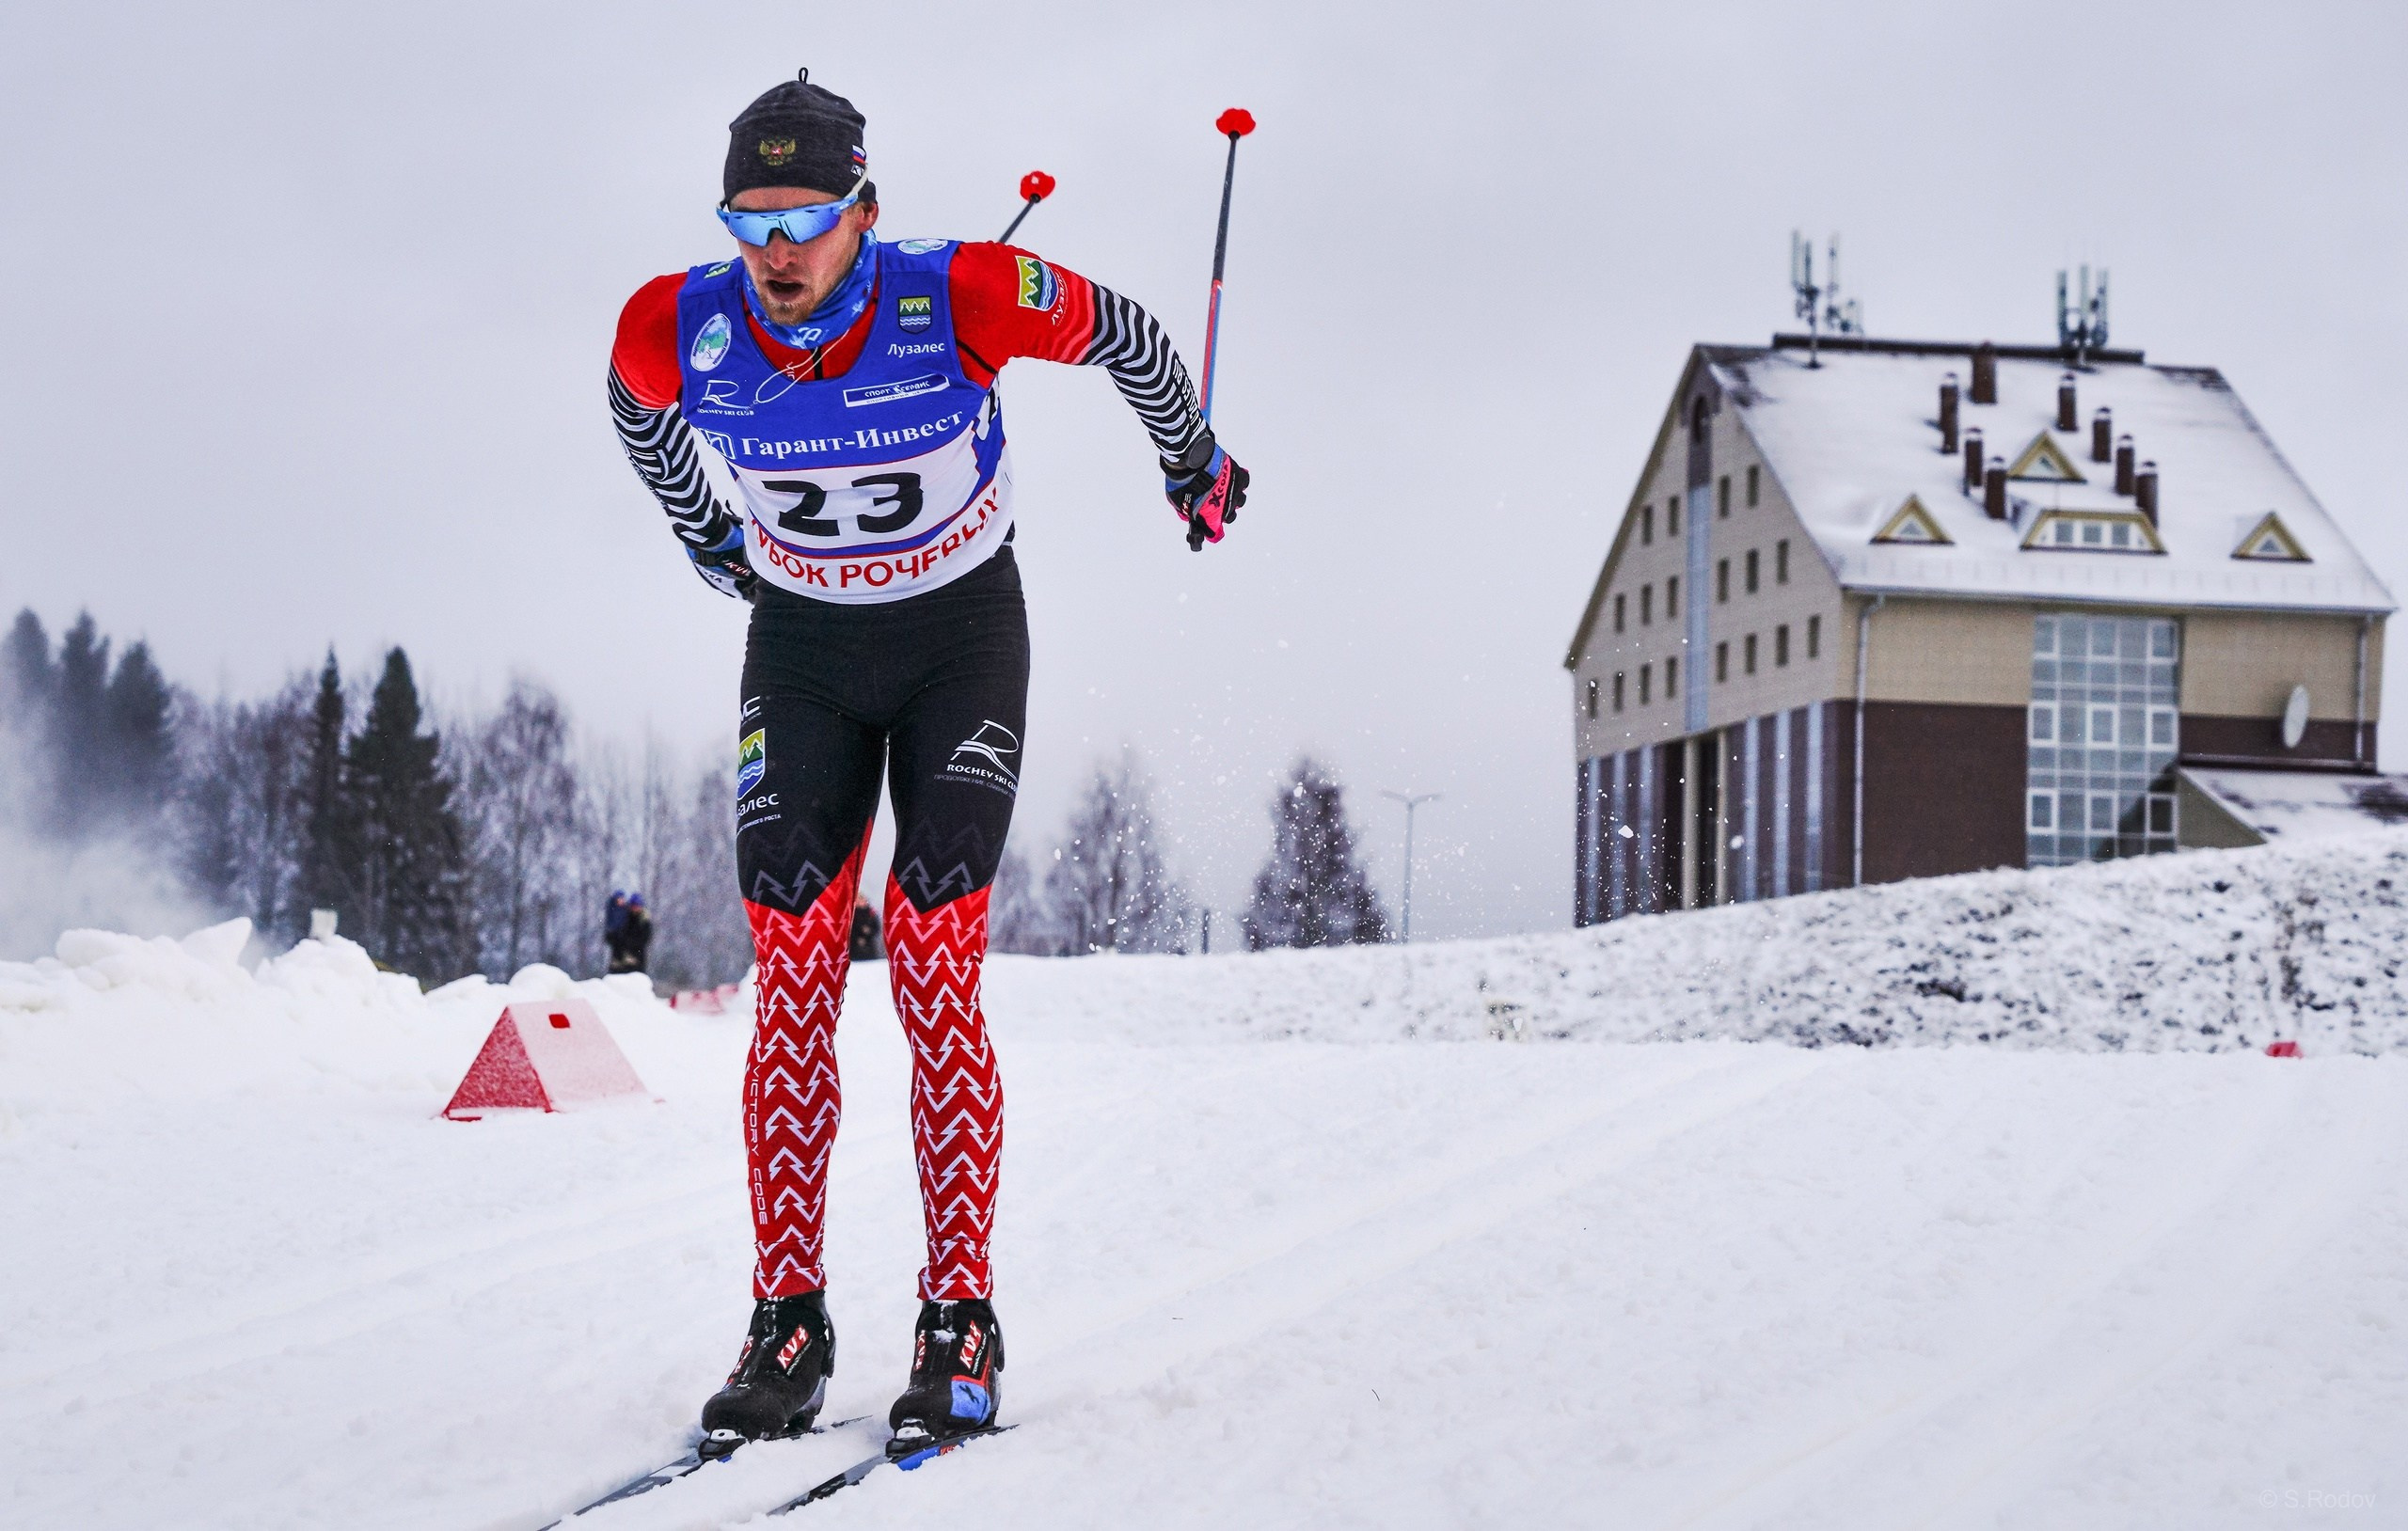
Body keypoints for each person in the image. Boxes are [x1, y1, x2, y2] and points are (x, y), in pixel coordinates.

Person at [608, 69, 1247, 1457]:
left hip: (959, 638)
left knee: (933, 952)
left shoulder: (957, 293)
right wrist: (704, 535)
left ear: (863, 210)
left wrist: (1187, 456)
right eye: (749, 218)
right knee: (791, 975)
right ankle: (788, 1322)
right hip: (804, 655)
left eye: (806, 215)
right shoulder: (680, 326)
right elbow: (635, 408)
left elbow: (1130, 333)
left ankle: (960, 1315)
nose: (776, 249)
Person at [606, 892, 653, 974]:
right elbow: (612, 936)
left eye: (637, 905)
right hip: (620, 959)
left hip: (637, 959)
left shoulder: (644, 920)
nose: (635, 908)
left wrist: (629, 943)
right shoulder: (623, 918)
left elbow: (645, 938)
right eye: (633, 905)